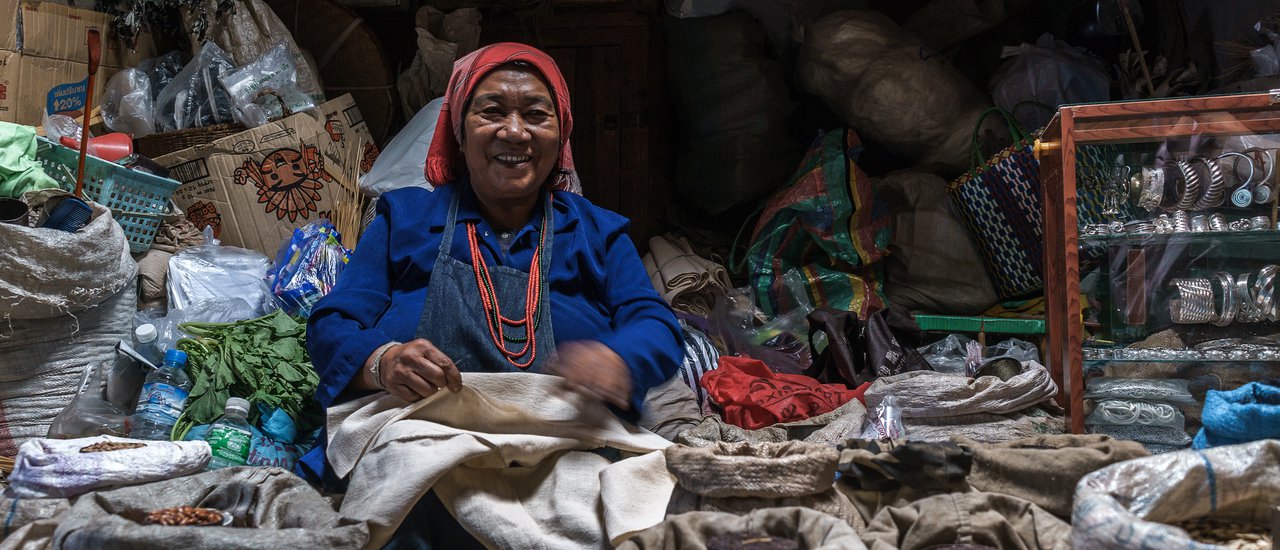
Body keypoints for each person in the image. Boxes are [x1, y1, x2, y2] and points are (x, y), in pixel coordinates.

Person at [300, 43, 684, 547]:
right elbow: (333, 321)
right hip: (423, 429)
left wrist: (619, 359)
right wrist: (382, 361)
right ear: (459, 130)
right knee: (406, 503)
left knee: (609, 511)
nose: (515, 131)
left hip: (566, 433)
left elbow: (655, 324)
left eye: (536, 115)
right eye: (492, 111)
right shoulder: (406, 218)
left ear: (560, 134)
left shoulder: (597, 231)